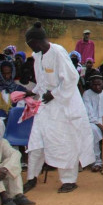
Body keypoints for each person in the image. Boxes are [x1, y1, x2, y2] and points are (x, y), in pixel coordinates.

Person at [21, 22, 94, 194]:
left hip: (64, 105)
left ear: (36, 41)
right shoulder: (37, 55)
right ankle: (32, 178)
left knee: (64, 143)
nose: (29, 47)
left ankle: (69, 181)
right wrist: (32, 93)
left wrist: (54, 94)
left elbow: (71, 79)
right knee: (36, 141)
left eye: (29, 43)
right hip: (46, 106)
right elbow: (42, 83)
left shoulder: (58, 52)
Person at [0, 138, 36, 205]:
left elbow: (15, 154)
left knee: (13, 161)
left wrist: (6, 168)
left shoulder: (2, 141)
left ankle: (17, 195)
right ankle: (4, 197)